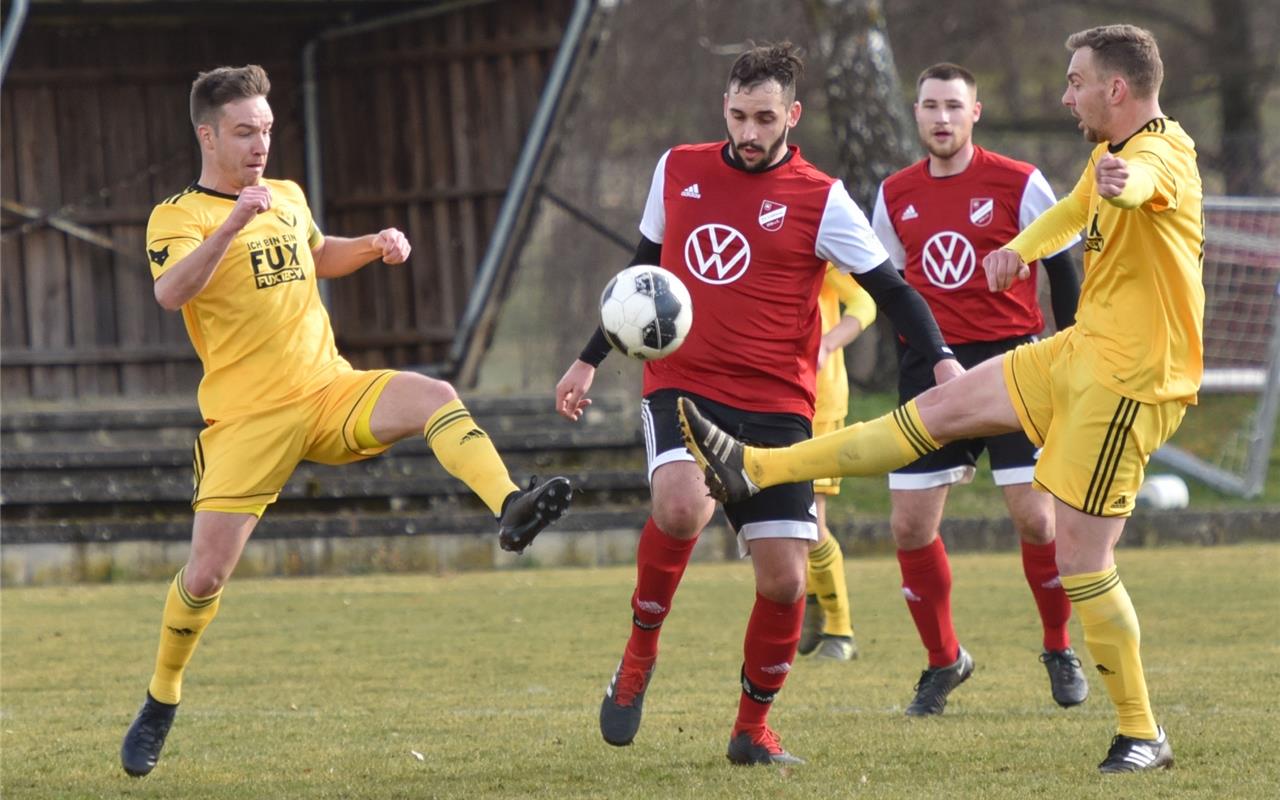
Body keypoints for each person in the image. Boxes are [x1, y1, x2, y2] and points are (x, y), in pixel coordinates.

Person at [681, 25, 1200, 774]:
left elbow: (1147, 184)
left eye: (1076, 80)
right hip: (1080, 352)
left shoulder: (1157, 155)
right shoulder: (1109, 153)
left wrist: (1130, 186)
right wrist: (1015, 249)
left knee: (1081, 559)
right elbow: (1080, 208)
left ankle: (1142, 732)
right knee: (932, 416)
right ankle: (756, 465)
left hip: (1130, 383)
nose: (1065, 93)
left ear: (1116, 90)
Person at [120, 64, 573, 778]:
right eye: (244, 132)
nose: (260, 144)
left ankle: (510, 504)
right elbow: (171, 292)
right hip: (246, 422)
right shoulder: (179, 217)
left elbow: (316, 254)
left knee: (434, 394)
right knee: (205, 577)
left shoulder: (289, 196)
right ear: (207, 135)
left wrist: (373, 245)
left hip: (327, 389)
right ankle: (161, 696)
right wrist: (234, 219)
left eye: (266, 129)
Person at [555, 42, 961, 765]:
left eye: (764, 117)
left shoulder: (820, 196)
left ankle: (752, 731)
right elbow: (641, 274)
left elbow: (892, 289)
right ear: (725, 108)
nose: (748, 131)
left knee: (784, 579)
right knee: (680, 508)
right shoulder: (677, 169)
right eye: (738, 115)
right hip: (685, 382)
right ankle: (638, 654)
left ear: (792, 115)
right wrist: (589, 360)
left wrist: (940, 359)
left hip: (777, 407)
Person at [869, 62, 1087, 716]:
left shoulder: (1019, 182)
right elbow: (892, 287)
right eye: (930, 105)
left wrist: (1074, 351)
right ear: (916, 113)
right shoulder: (894, 193)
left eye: (953, 106)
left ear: (975, 112)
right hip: (930, 371)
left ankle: (1058, 646)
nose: (941, 118)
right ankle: (944, 661)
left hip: (1014, 365)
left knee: (1035, 516)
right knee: (909, 527)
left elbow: (1064, 269)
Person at [799, 266, 876, 662]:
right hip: (764, 394)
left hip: (817, 403)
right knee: (766, 522)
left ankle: (840, 630)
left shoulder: (818, 247)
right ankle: (810, 597)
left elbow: (865, 301)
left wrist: (828, 343)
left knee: (811, 523)